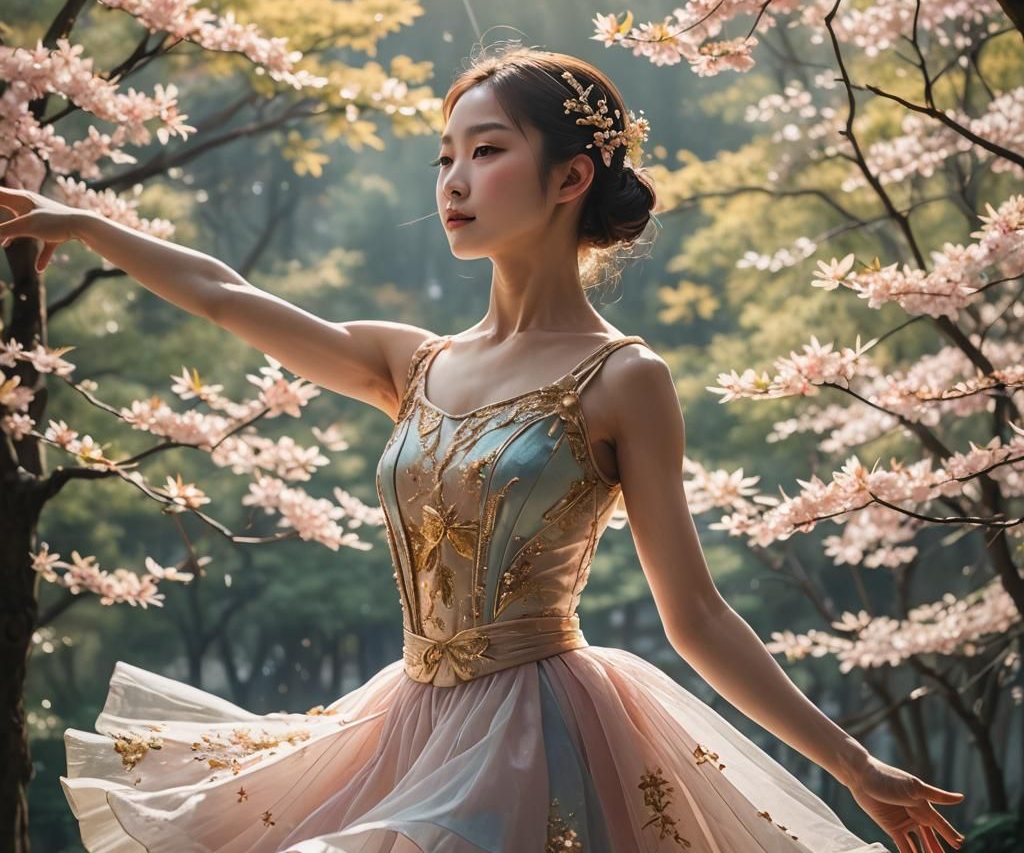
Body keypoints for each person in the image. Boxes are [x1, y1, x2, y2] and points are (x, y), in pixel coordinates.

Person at [0, 43, 965, 853]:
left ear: (570, 178)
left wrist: (852, 763)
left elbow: (698, 615)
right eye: (446, 156)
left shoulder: (626, 380)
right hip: (405, 719)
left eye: (487, 150)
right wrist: (89, 223)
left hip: (538, 728)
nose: (455, 181)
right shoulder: (410, 364)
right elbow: (225, 295)